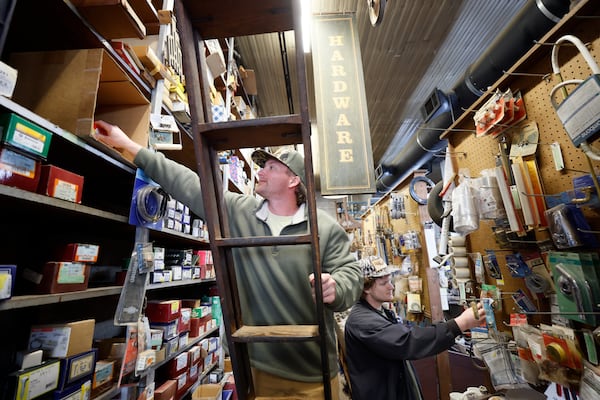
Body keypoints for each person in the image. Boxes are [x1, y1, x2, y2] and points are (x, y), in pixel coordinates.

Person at [92, 120, 363, 399]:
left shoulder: (325, 228)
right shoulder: (239, 212)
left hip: (314, 373)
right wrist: (129, 146)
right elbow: (189, 184)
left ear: (293, 181)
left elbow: (351, 272)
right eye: (261, 166)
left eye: (271, 168)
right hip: (258, 368)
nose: (260, 172)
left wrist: (337, 286)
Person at [344, 255, 487, 400]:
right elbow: (408, 341)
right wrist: (460, 324)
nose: (391, 286)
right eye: (384, 283)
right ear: (366, 288)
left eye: (390, 281)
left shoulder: (379, 312)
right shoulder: (363, 321)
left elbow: (410, 333)